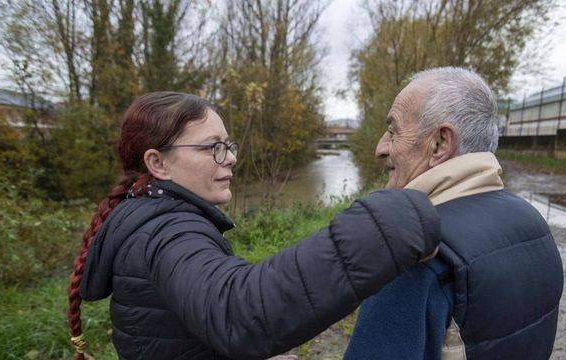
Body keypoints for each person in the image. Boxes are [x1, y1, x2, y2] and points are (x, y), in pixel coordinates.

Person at [66, 91, 441, 360]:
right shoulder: (166, 231)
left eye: (228, 145)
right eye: (213, 147)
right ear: (158, 164)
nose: (229, 158)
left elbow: (176, 334)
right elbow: (238, 312)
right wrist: (390, 221)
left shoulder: (147, 214)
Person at [344, 68, 564, 360]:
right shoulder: (532, 221)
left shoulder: (413, 253)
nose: (380, 148)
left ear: (439, 144)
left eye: (393, 130)